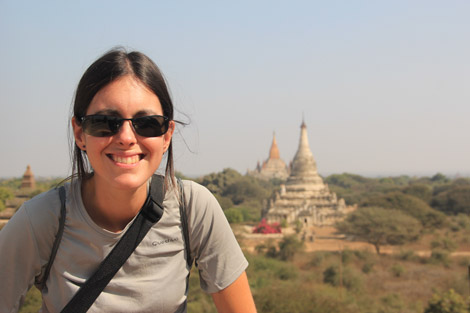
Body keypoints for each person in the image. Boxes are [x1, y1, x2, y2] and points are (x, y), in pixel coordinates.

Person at [0, 48, 257, 313]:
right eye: (105, 122)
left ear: (167, 135)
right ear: (80, 133)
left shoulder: (191, 208)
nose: (126, 137)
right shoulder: (44, 219)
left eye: (146, 123)